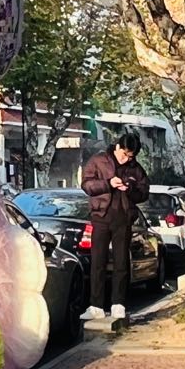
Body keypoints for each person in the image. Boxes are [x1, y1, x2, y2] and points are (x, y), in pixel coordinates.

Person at [80, 129, 149, 322]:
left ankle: (118, 304)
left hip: (123, 219)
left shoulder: (136, 168)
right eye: (124, 154)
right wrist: (108, 183)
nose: (126, 159)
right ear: (117, 147)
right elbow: (87, 185)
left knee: (121, 263)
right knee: (98, 262)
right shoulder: (98, 160)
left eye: (130, 156)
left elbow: (144, 192)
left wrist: (131, 188)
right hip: (101, 216)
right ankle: (96, 306)